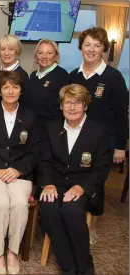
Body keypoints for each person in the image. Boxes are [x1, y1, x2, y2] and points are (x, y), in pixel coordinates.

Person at [38, 84, 111, 275]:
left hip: (84, 186)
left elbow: (102, 168)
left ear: (85, 106)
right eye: (67, 102)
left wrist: (82, 187)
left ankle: (85, 265)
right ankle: (68, 265)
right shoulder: (51, 128)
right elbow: (43, 160)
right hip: (55, 183)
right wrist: (48, 183)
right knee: (49, 208)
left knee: (71, 210)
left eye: (77, 103)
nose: (72, 107)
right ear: (61, 106)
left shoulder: (99, 131)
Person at [69, 27, 129, 244]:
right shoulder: (73, 76)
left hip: (103, 142)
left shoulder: (113, 77)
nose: (91, 49)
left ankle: (92, 225)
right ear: (81, 47)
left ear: (103, 48)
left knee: (96, 182)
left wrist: (120, 145)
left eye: (96, 45)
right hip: (76, 138)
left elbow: (122, 114)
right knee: (76, 177)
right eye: (87, 45)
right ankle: (74, 218)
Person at [0, 71, 40, 275]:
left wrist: (18, 169)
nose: (11, 91)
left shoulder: (31, 116)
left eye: (15, 87)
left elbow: (35, 150)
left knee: (21, 204)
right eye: (6, 87)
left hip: (19, 172)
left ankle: (12, 252)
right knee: (2, 203)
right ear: (0, 90)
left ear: (21, 91)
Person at [26, 39, 69, 131]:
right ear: (36, 56)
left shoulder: (62, 75)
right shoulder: (33, 75)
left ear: (56, 56)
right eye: (40, 53)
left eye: (49, 53)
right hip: (33, 127)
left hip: (52, 129)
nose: (44, 56)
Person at [0, 34, 29, 105]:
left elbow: (25, 104)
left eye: (11, 49)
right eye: (3, 49)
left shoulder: (22, 75)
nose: (6, 53)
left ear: (16, 52)